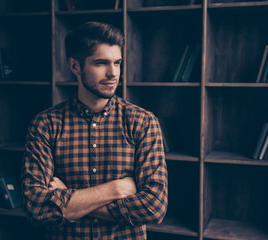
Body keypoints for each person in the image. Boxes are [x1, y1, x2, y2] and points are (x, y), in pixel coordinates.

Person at [21, 21, 168, 239]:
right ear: (75, 67)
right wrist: (116, 190)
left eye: (117, 63)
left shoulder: (143, 122)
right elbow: (36, 207)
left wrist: (67, 200)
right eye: (101, 63)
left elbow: (154, 207)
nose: (112, 73)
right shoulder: (45, 125)